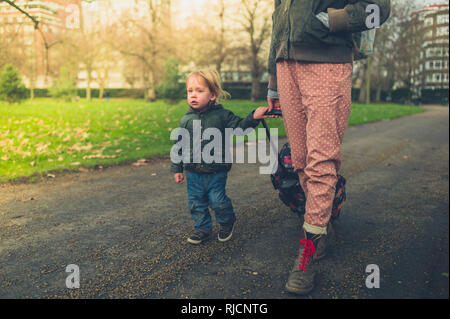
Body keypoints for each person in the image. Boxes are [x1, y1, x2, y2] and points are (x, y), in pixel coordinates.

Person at [266, 0, 391, 295]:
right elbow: (278, 18)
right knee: (300, 159)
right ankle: (320, 223)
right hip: (286, 66)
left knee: (321, 161)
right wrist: (273, 80)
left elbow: (379, 8)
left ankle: (308, 253)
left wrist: (333, 20)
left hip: (326, 63)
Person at [171, 70, 275, 245]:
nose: (193, 95)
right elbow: (178, 147)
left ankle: (227, 221)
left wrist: (253, 117)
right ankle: (202, 228)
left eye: (199, 91)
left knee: (217, 201)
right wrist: (177, 168)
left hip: (216, 171)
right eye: (190, 91)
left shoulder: (222, 116)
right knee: (196, 203)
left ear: (213, 95)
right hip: (193, 172)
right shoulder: (186, 120)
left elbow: (240, 128)